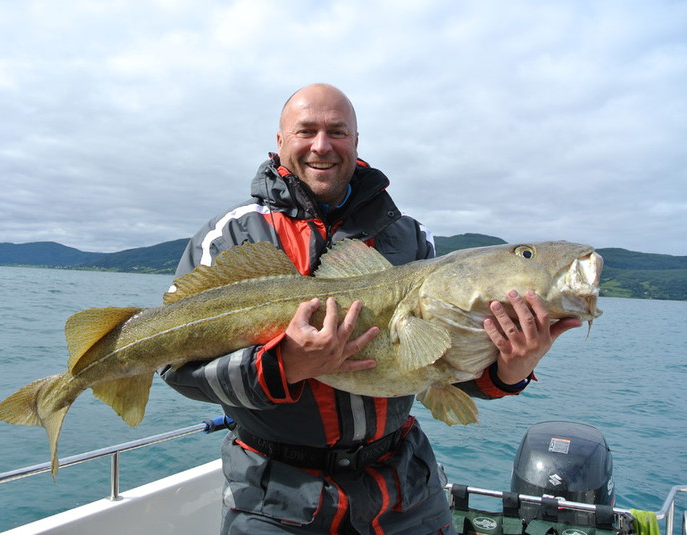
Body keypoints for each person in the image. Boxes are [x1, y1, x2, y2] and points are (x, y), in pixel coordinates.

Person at [160, 83, 583, 535]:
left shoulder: (413, 239)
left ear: (356, 141)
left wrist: (508, 371)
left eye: (337, 132)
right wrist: (283, 366)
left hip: (405, 491)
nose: (322, 145)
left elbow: (442, 369)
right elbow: (175, 367)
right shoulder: (231, 235)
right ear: (280, 141)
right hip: (273, 497)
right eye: (306, 131)